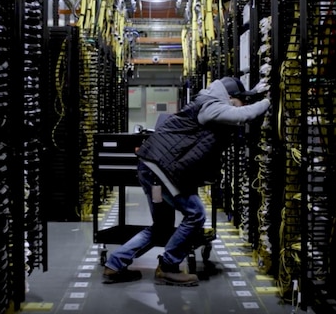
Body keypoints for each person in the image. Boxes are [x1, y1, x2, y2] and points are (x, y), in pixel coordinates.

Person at [102, 76, 270, 286]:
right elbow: (242, 115)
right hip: (162, 171)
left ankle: (115, 264)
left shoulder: (209, 102)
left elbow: (233, 111)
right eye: (241, 100)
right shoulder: (211, 107)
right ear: (229, 97)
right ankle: (168, 267)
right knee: (196, 214)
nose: (243, 104)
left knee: (162, 227)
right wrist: (268, 101)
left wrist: (255, 92)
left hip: (153, 169)